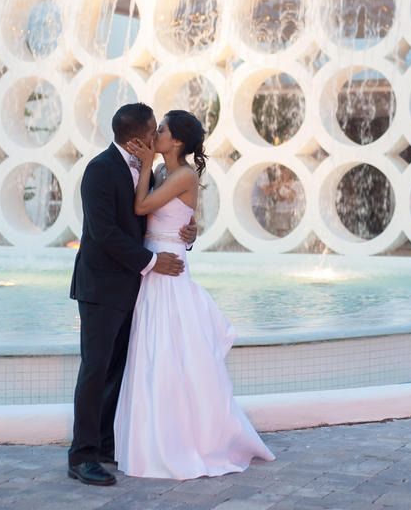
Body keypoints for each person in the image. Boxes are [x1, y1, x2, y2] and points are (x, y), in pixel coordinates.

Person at [114, 110, 275, 479]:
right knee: (152, 353)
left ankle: (182, 441)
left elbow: (142, 207)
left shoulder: (183, 173)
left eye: (163, 130)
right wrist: (149, 169)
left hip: (169, 273)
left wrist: (145, 162)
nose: (156, 133)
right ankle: (149, 438)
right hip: (155, 268)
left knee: (172, 354)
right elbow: (160, 219)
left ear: (179, 142)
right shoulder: (159, 173)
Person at [68, 103, 197, 486]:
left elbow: (162, 216)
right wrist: (152, 261)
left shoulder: (151, 171)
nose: (158, 136)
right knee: (95, 370)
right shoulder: (100, 169)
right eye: (154, 130)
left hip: (134, 288)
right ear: (139, 137)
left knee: (116, 371)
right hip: (102, 286)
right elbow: (104, 234)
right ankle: (82, 456)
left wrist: (189, 231)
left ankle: (106, 444)